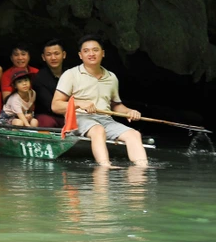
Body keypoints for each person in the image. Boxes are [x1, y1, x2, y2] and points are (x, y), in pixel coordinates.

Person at [51, 35, 148, 167]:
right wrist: (79, 103)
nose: (91, 54)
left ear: (103, 53)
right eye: (86, 51)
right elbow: (56, 105)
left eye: (95, 50)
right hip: (79, 118)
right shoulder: (70, 74)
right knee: (98, 130)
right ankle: (105, 166)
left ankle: (142, 170)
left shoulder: (111, 77)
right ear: (80, 55)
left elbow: (116, 105)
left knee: (134, 134)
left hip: (106, 120)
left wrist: (129, 111)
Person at [34, 39, 72, 127]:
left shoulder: (71, 74)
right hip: (48, 115)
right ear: (43, 57)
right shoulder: (39, 77)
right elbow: (49, 105)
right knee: (46, 122)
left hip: (70, 114)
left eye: (56, 53)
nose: (53, 58)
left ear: (64, 55)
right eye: (49, 54)